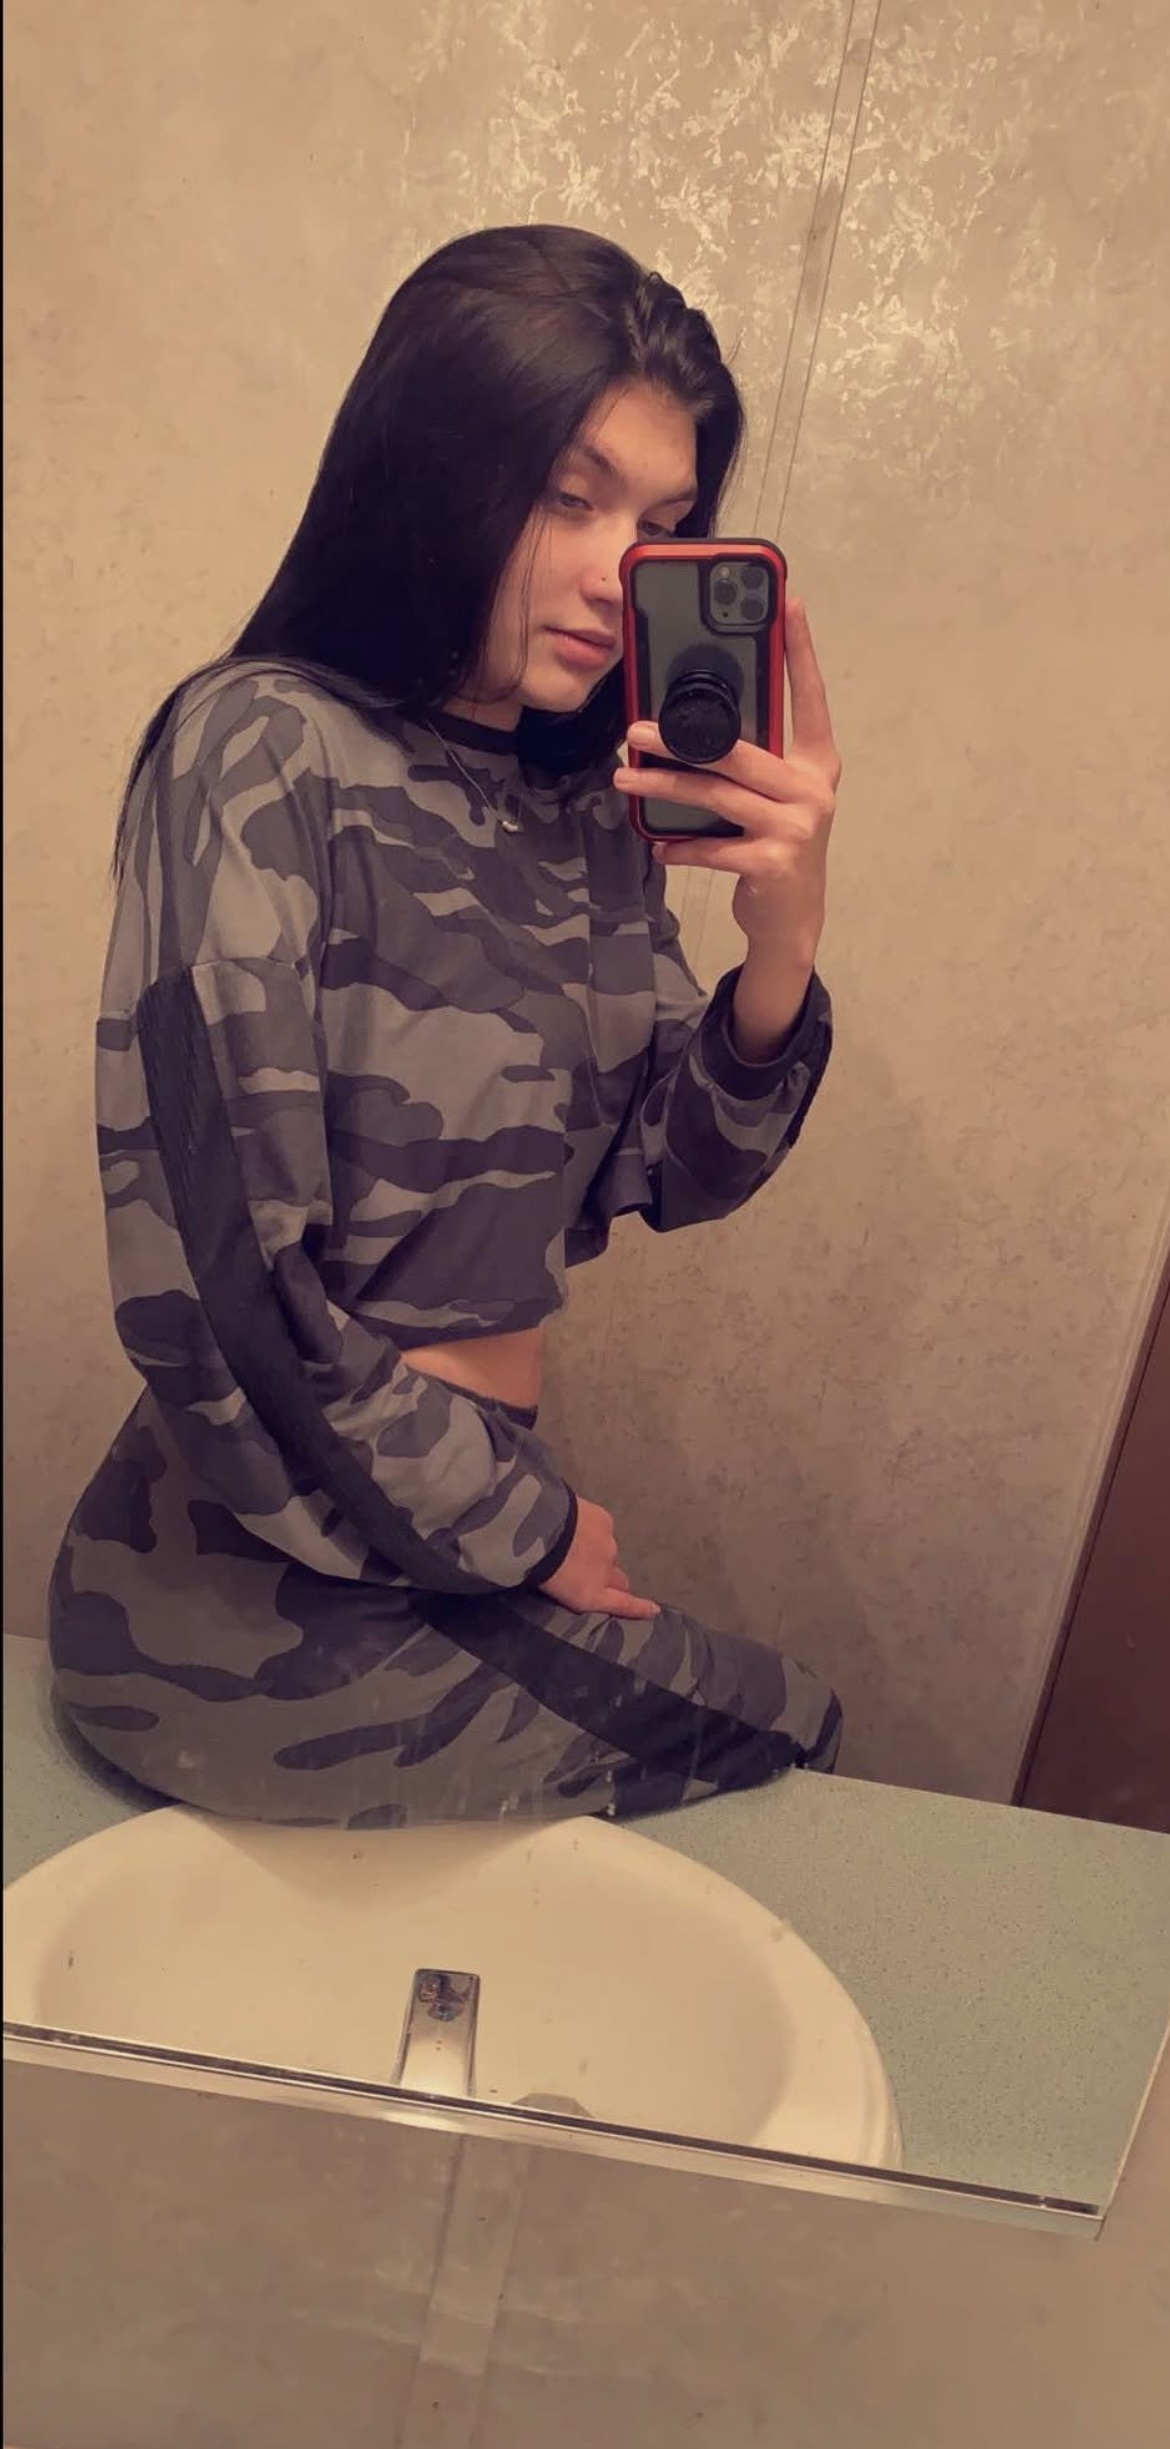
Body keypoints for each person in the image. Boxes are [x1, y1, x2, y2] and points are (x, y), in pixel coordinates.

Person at [49, 224, 844, 1829]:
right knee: (794, 1745)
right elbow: (221, 1287)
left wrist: (783, 937)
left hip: (449, 1524)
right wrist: (525, 1527)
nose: (616, 569)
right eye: (567, 496)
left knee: (788, 1758)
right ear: (432, 468)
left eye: (661, 525)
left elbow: (668, 1170)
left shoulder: (585, 809)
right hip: (247, 1581)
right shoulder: (260, 747)